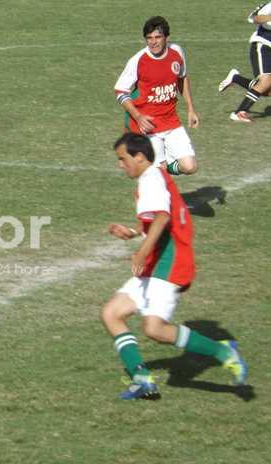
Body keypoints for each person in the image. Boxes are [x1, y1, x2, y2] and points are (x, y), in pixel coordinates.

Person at [100, 133, 247, 400]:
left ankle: (223, 351)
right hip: (158, 260)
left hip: (169, 261)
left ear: (139, 156)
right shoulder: (153, 177)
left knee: (154, 329)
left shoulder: (151, 180)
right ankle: (142, 380)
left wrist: (141, 252)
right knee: (112, 313)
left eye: (122, 159)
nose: (120, 165)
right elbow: (159, 219)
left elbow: (162, 217)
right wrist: (133, 232)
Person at [114, 16, 200, 176]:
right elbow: (120, 90)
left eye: (158, 37)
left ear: (167, 37)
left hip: (171, 121)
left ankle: (169, 166)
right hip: (149, 126)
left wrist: (190, 109)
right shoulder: (138, 60)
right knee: (158, 175)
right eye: (149, 38)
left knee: (190, 167)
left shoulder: (177, 52)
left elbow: (182, 78)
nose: (153, 42)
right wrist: (138, 117)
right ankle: (163, 172)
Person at [219, 3, 271, 122]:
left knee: (267, 91)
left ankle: (236, 78)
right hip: (263, 45)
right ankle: (239, 112)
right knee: (266, 81)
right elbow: (254, 18)